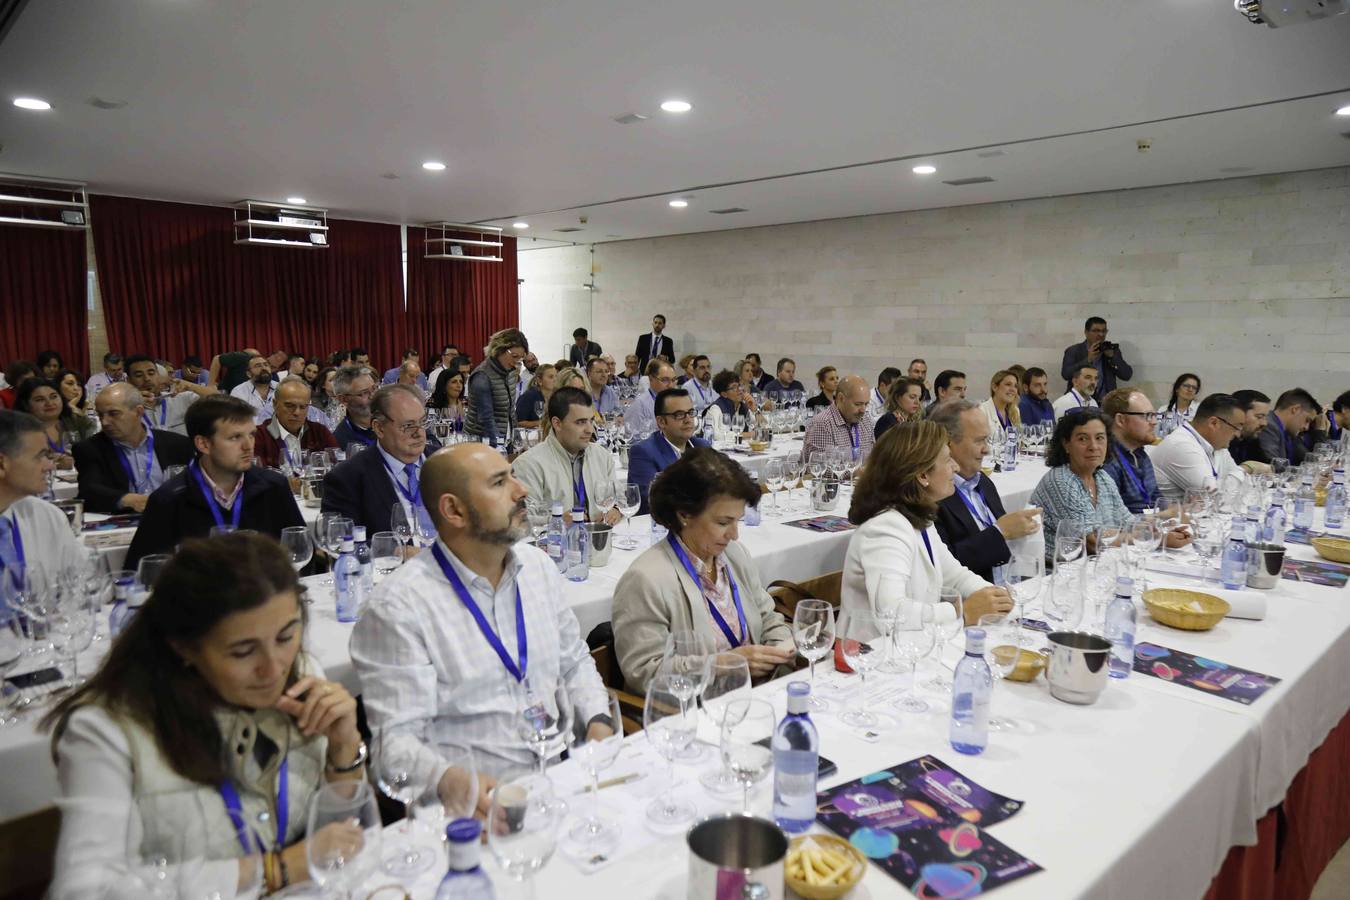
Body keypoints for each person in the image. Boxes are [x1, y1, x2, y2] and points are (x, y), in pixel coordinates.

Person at [44, 533, 366, 900]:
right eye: (243, 651)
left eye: (286, 636)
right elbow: (82, 891)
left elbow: (338, 841)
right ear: (184, 648)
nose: (273, 668)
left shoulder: (303, 673)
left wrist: (344, 748)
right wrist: (273, 870)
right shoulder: (109, 730)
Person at [351, 443, 612, 784]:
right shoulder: (398, 608)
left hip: (563, 775)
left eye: (513, 477)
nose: (522, 491)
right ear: (454, 510)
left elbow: (574, 661)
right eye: (499, 483)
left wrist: (598, 720)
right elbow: (396, 745)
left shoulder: (538, 568)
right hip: (474, 808)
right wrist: (452, 782)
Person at [613, 447, 794, 693]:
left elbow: (767, 617)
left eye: (737, 521)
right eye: (723, 523)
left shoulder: (733, 556)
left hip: (761, 693)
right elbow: (645, 672)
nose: (734, 534)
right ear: (684, 514)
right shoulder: (646, 579)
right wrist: (724, 665)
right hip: (694, 711)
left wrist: (779, 651)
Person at [841, 421, 1013, 625]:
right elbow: (890, 613)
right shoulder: (886, 527)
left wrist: (994, 596)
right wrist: (962, 612)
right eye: (948, 460)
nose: (956, 467)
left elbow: (955, 576)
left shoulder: (918, 518)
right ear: (922, 475)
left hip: (909, 645)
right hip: (871, 651)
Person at [125, 396, 304, 568]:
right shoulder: (169, 499)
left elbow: (299, 553)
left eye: (251, 435)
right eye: (235, 437)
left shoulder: (274, 487)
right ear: (203, 444)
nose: (248, 446)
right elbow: (145, 572)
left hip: (266, 594)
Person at [930, 401, 1042, 584]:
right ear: (948, 442)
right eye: (979, 441)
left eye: (987, 440)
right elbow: (942, 567)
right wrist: (1000, 532)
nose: (987, 449)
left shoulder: (983, 481)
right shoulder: (933, 493)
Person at [323, 384, 435, 536]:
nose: (419, 433)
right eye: (408, 426)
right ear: (379, 428)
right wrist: (397, 551)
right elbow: (341, 542)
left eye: (422, 422)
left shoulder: (447, 463)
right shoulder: (348, 478)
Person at [75, 383, 193, 514]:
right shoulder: (90, 448)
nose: (105, 422)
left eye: (113, 414)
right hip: (125, 522)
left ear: (138, 412)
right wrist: (128, 500)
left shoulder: (178, 444)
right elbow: (89, 491)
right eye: (101, 415)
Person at [1028, 408, 1132, 556]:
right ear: (1066, 444)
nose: (1093, 446)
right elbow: (1092, 542)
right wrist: (1143, 537)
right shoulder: (1061, 480)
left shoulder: (1102, 478)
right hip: (1057, 571)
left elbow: (1128, 522)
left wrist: (1160, 530)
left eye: (1100, 438)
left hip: (1095, 565)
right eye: (1083, 439)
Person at [511, 387, 621, 524]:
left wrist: (616, 509)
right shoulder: (528, 464)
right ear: (557, 424)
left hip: (599, 540)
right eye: (580, 422)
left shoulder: (602, 456)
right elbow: (520, 519)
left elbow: (619, 498)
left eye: (591, 421)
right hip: (554, 543)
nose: (590, 430)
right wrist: (556, 521)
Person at [0, 411, 86, 584]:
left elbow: (80, 584)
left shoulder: (46, 516)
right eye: (40, 456)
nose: (50, 465)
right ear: (2, 464)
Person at [627, 389, 712, 514]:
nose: (688, 419)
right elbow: (652, 501)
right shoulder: (643, 452)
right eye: (679, 414)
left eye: (691, 412)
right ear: (661, 422)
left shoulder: (702, 446)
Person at [1152, 393, 1247, 504]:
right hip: (1171, 518)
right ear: (1214, 423)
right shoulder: (1182, 445)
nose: (1238, 435)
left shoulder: (1218, 445)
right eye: (1236, 427)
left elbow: (1239, 485)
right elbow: (1216, 500)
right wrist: (1246, 468)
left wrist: (1235, 476)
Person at [1101, 388, 1165, 514]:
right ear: (1120, 420)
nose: (1154, 422)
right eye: (1147, 416)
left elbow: (1157, 497)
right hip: (1131, 531)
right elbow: (1113, 520)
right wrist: (1163, 516)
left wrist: (1177, 510)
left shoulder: (1140, 453)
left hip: (1152, 528)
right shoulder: (1106, 460)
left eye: (1154, 415)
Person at [253, 377, 338, 471]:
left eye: (303, 407)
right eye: (290, 406)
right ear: (275, 404)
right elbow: (257, 478)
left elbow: (337, 469)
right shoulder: (258, 436)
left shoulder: (320, 432)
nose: (297, 412)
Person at [466, 328, 528, 446]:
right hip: (480, 442)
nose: (516, 362)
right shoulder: (482, 376)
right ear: (499, 350)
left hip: (504, 439)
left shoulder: (510, 371)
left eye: (520, 358)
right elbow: (486, 418)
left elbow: (511, 411)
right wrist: (499, 446)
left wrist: (517, 438)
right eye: (514, 356)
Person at [14, 377, 91, 467]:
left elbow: (97, 451)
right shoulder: (18, 430)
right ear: (26, 404)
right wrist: (51, 464)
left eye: (54, 397)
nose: (49, 403)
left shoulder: (77, 421)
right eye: (40, 399)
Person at [126, 354, 210, 436]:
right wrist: (131, 404)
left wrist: (191, 386)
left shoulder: (180, 398)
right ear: (128, 380)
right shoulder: (126, 409)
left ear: (158, 376)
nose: (147, 379)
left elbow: (219, 401)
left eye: (151, 373)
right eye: (139, 375)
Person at [801, 375, 874, 464]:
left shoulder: (866, 421)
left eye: (866, 404)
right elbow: (819, 468)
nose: (863, 410)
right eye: (858, 404)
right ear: (841, 398)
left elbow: (873, 458)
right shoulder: (822, 424)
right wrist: (856, 472)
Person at [1061, 316, 1132, 402]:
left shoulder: (1112, 350)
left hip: (1106, 403)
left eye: (1103, 331)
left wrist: (1112, 357)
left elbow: (1126, 375)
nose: (1101, 335)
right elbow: (1066, 374)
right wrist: (1088, 360)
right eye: (1096, 331)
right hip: (1081, 401)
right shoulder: (1074, 350)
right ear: (1086, 332)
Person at [1255, 388, 1324, 466]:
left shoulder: (1288, 432)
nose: (1306, 427)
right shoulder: (1269, 426)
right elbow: (1273, 466)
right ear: (1295, 409)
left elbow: (1309, 460)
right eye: (1307, 420)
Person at [625, 359, 678, 436]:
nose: (671, 385)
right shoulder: (640, 404)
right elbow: (632, 438)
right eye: (665, 380)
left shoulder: (675, 401)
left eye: (673, 380)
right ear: (651, 379)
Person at [331, 365, 378, 451]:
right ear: (343, 399)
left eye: (374, 388)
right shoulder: (339, 440)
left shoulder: (391, 421)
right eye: (364, 393)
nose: (373, 396)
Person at [703, 370, 753, 440]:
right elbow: (715, 435)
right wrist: (744, 435)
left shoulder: (742, 406)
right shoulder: (716, 408)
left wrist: (755, 409)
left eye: (739, 385)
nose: (739, 390)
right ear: (724, 394)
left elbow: (764, 427)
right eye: (734, 387)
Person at [1228, 389, 1271, 467]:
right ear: (1239, 414)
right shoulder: (1224, 440)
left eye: (1265, 417)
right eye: (1259, 417)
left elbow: (1266, 465)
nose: (1264, 423)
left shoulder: (1251, 438)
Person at [229, 355, 276, 425]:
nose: (263, 368)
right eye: (258, 366)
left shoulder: (281, 387)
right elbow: (239, 419)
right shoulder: (239, 391)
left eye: (266, 365)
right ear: (248, 374)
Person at [979, 370, 1022, 436]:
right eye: (1008, 384)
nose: (1013, 389)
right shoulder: (981, 411)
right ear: (994, 387)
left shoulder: (1015, 410)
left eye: (1015, 386)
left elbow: (1019, 440)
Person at [513, 364, 554, 429]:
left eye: (556, 376)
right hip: (529, 436)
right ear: (539, 380)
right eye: (551, 377)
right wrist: (543, 423)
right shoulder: (528, 397)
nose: (555, 379)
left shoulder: (556, 397)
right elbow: (519, 422)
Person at [310, 366, 343, 431]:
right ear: (323, 385)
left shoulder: (344, 400)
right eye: (331, 380)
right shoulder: (315, 402)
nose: (336, 383)